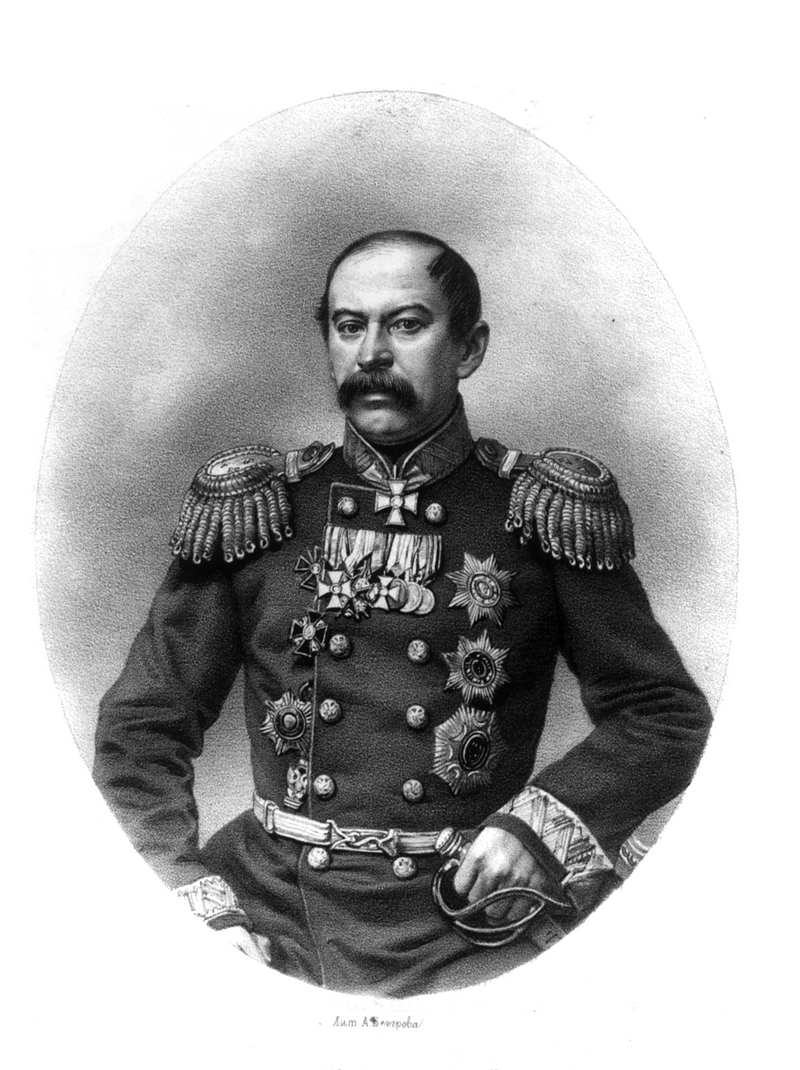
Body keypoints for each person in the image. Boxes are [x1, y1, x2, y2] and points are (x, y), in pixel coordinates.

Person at [93, 229, 713, 996]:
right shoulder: (258, 510)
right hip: (273, 909)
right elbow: (140, 731)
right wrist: (189, 902)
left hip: (469, 918)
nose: (372, 352)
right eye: (349, 325)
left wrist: (539, 826)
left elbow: (664, 714)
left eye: (407, 324)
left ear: (469, 348)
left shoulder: (539, 512)